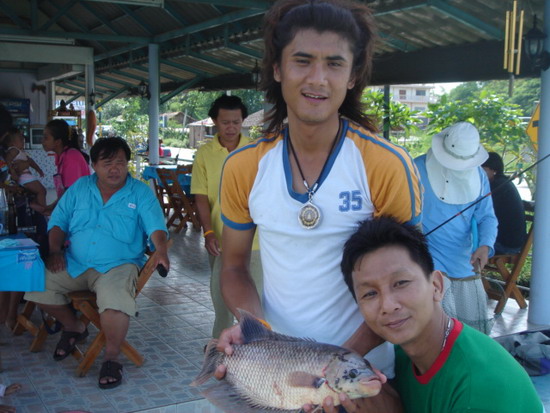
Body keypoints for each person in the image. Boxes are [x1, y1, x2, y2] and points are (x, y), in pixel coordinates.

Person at [217, 0, 422, 386]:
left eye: (334, 63)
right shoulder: (244, 166)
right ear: (277, 68)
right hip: (278, 374)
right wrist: (256, 331)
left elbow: (410, 283)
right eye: (302, 60)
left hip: (366, 375)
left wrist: (339, 363)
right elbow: (233, 267)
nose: (317, 79)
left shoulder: (385, 165)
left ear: (352, 75)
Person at [330, 216, 543, 413]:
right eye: (370, 293)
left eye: (401, 283)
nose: (387, 305)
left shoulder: (480, 387)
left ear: (436, 285)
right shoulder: (403, 356)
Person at [24, 137, 169, 389]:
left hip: (118, 265)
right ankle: (75, 326)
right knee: (37, 284)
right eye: (107, 163)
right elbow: (58, 223)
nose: (114, 169)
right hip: (76, 262)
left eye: (120, 163)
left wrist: (162, 250)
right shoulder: (80, 188)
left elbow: (156, 227)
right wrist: (55, 250)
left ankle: (112, 357)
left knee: (114, 303)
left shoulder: (140, 192)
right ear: (93, 165)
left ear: (127, 165)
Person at [191, 94, 263, 338]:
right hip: (221, 239)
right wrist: (208, 231)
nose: (231, 128)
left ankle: (256, 348)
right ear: (214, 122)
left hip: (256, 240)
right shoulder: (205, 153)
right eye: (225, 122)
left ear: (243, 120)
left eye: (236, 122)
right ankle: (219, 346)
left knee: (257, 298)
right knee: (221, 298)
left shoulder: (257, 151)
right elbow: (201, 196)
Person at [414, 121, 498, 334]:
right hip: (427, 262)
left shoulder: (479, 176)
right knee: (435, 331)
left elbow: (487, 217)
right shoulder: (416, 169)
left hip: (464, 263)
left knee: (469, 333)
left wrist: (486, 246)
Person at [482, 152, 527, 255]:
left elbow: (484, 213)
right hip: (505, 240)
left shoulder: (499, 187)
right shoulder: (501, 183)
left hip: (506, 244)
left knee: (462, 247)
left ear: (493, 170)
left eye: (482, 168)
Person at [41, 119, 91, 203]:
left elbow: (71, 193)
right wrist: (51, 208)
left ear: (57, 142)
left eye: (46, 138)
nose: (42, 141)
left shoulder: (71, 157)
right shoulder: (62, 155)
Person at [1, 127, 47, 211]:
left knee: (39, 192)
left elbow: (30, 161)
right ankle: (42, 208)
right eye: (20, 140)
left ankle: (37, 206)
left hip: (26, 175)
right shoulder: (13, 150)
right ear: (12, 143)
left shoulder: (20, 151)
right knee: (41, 191)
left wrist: (38, 169)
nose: (23, 141)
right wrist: (13, 172)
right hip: (23, 176)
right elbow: (8, 160)